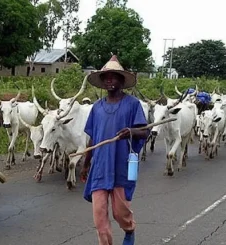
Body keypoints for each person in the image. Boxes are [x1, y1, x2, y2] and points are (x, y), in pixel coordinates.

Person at [80, 55, 149, 245]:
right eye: (106, 77)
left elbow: (144, 132)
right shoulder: (97, 108)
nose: (110, 80)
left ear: (121, 80)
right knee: (100, 218)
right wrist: (86, 165)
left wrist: (132, 131)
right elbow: (92, 139)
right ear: (102, 81)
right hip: (100, 168)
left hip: (122, 165)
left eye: (114, 76)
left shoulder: (132, 104)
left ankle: (129, 229)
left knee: (120, 212)